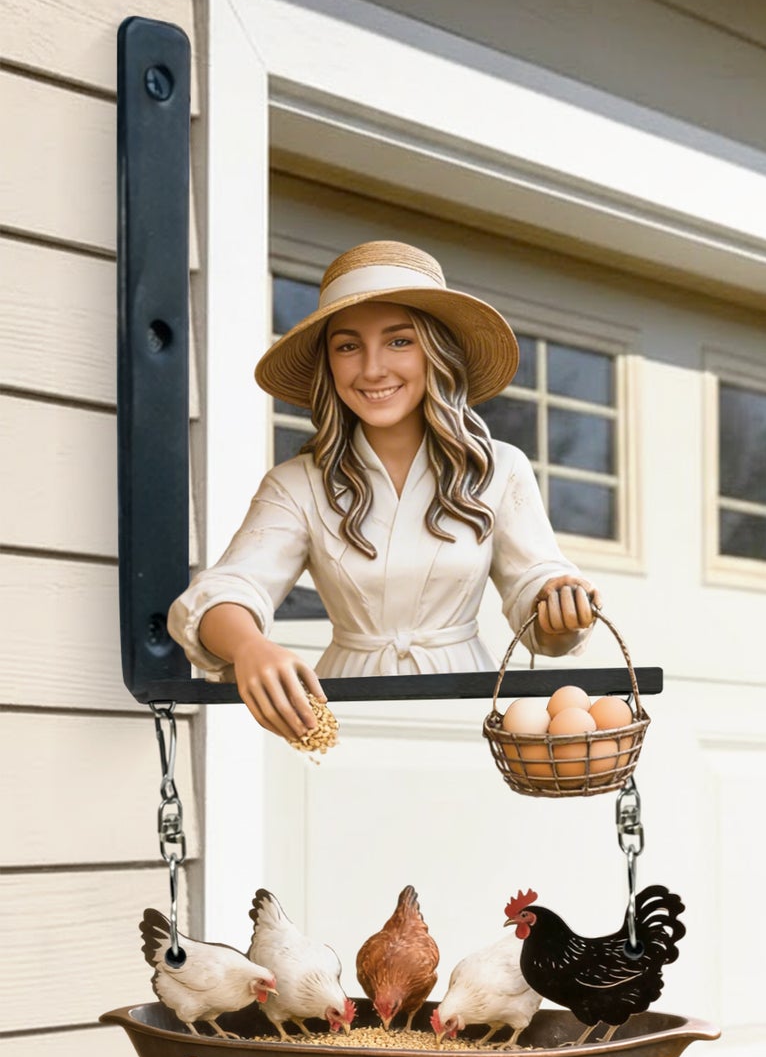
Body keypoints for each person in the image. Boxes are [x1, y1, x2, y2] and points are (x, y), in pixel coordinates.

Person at [168, 240, 599, 742]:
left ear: (435, 353)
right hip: (346, 707)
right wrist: (248, 647)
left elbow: (538, 592)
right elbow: (227, 589)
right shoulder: (297, 484)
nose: (372, 369)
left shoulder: (498, 468)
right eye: (348, 346)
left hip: (467, 705)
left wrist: (559, 605)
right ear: (329, 364)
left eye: (399, 342)